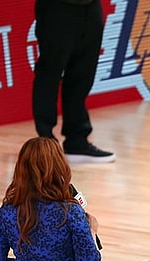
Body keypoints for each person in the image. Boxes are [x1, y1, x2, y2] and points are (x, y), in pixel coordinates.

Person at [32, 0, 115, 163]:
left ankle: (77, 141)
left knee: (82, 76)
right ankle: (46, 145)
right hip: (57, 8)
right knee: (50, 74)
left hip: (90, 8)